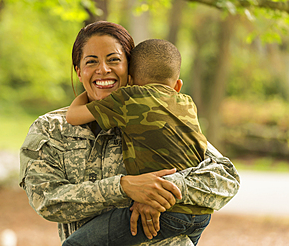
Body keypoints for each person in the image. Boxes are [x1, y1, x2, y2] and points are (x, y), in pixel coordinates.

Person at [19, 21, 240, 246]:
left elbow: (226, 179)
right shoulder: (50, 128)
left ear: (131, 69)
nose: (103, 69)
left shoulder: (154, 116)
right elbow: (46, 200)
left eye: (114, 60)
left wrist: (159, 191)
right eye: (91, 61)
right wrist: (124, 187)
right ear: (79, 71)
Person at [65, 38, 210, 245]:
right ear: (178, 85)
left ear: (130, 79)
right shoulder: (187, 103)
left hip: (168, 211)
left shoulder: (128, 98)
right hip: (200, 211)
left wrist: (88, 94)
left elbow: (73, 116)